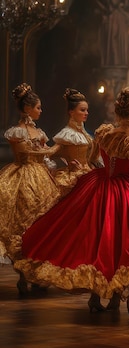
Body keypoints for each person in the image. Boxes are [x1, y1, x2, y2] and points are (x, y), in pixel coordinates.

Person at [12, 87, 129, 318]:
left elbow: (94, 158)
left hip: (101, 186)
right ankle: (128, 302)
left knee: (99, 243)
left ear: (117, 113)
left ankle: (97, 297)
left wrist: (86, 167)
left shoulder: (105, 133)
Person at [0, 83, 61, 295]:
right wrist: (50, 150)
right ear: (28, 109)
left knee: (41, 226)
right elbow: (25, 152)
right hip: (23, 177)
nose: (41, 111)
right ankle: (23, 274)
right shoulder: (18, 131)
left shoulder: (39, 131)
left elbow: (44, 153)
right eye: (38, 107)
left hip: (42, 178)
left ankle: (37, 272)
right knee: (21, 224)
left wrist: (50, 154)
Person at [52, 88, 94, 196]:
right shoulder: (67, 134)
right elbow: (52, 153)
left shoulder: (84, 133)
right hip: (73, 177)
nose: (86, 113)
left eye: (87, 110)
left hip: (88, 173)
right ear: (71, 112)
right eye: (82, 110)